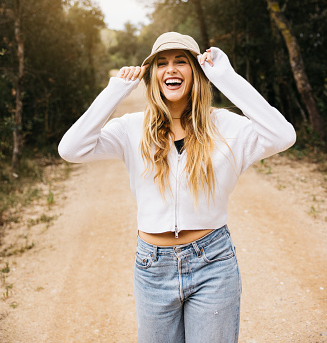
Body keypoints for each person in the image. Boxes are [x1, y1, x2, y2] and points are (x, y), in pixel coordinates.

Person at [58, 31, 296, 343]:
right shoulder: (132, 128)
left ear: (197, 73)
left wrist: (226, 77)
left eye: (181, 61)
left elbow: (283, 135)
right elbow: (71, 149)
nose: (170, 69)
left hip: (213, 264)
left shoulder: (224, 127)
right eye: (161, 63)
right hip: (152, 267)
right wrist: (115, 91)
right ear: (152, 75)